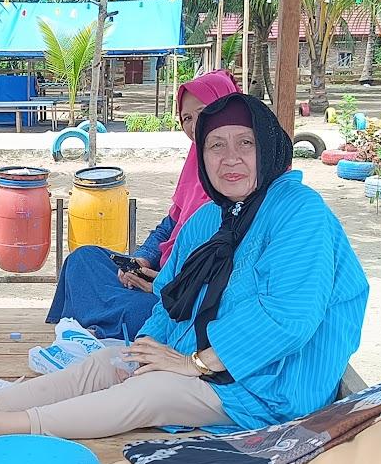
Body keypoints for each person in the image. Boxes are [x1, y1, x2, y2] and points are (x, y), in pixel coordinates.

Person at [0, 93, 368, 450]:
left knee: (154, 390)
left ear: (268, 147)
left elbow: (287, 317)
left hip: (274, 385)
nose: (231, 158)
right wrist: (146, 350)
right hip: (212, 364)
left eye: (245, 143)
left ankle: (0, 427)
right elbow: (171, 296)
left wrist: (188, 364)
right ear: (201, 157)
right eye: (216, 146)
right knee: (114, 360)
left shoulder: (299, 212)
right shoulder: (212, 216)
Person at [45, 70, 238, 339]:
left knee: (147, 313)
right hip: (160, 273)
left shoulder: (244, 174)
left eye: (204, 112)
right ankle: (102, 325)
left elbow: (229, 269)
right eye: (186, 118)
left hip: (186, 293)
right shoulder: (195, 165)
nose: (195, 126)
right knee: (83, 259)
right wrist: (141, 260)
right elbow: (169, 226)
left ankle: (95, 326)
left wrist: (162, 285)